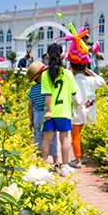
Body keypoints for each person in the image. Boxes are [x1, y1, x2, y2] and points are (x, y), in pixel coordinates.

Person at [41, 44, 80, 177]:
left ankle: (43, 167)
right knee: (64, 139)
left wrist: (48, 111)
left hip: (50, 113)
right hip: (64, 111)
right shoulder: (68, 74)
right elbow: (74, 92)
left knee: (47, 139)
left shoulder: (45, 74)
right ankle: (64, 167)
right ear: (62, 56)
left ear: (47, 56)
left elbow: (48, 94)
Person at [70, 60, 106, 168]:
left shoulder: (71, 80)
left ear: (72, 67)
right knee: (83, 135)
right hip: (88, 110)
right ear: (85, 67)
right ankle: (81, 157)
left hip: (76, 111)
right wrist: (92, 73)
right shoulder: (90, 80)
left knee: (76, 136)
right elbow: (102, 82)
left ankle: (78, 160)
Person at [26, 61, 59, 166]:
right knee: (52, 138)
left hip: (36, 116)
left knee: (38, 138)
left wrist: (30, 120)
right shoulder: (47, 87)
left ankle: (39, 161)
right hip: (47, 115)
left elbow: (30, 106)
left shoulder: (32, 89)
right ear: (40, 76)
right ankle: (56, 161)